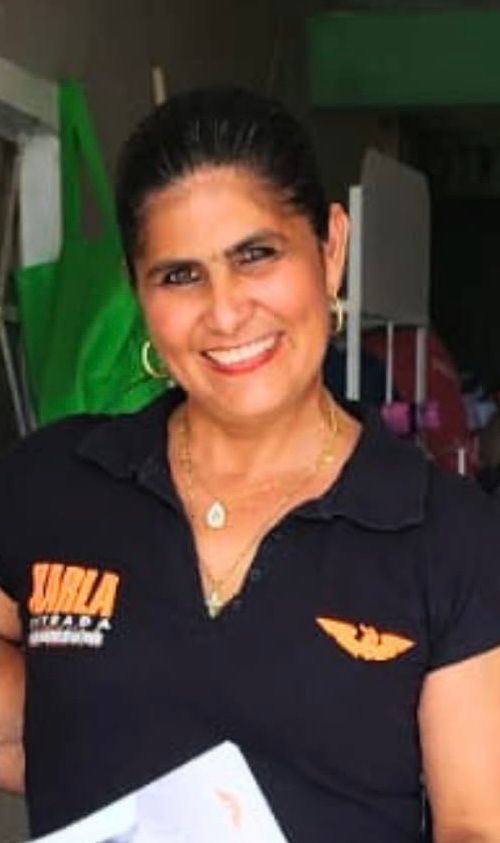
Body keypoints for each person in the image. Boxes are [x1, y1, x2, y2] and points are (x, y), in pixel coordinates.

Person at [1, 88, 500, 843]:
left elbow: (475, 824)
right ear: (138, 291)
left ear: (331, 248)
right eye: (179, 275)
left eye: (256, 255)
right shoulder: (54, 482)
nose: (227, 312)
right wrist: (68, 726)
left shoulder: (445, 535)